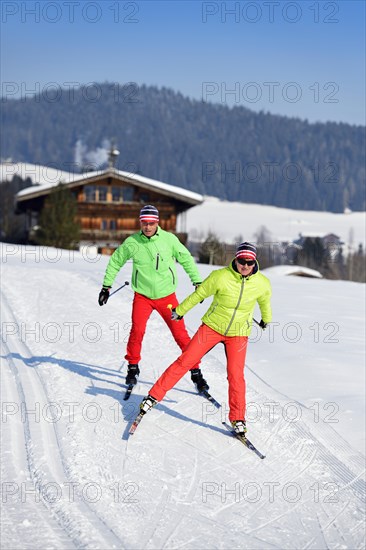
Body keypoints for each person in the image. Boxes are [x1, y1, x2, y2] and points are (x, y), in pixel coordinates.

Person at [138, 241, 272, 435]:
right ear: (236, 259)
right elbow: (200, 293)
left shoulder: (262, 283)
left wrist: (266, 319)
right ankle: (153, 397)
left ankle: (238, 418)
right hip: (212, 327)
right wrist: (180, 310)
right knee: (185, 361)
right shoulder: (220, 277)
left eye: (249, 262)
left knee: (236, 376)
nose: (245, 266)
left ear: (254, 262)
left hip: (239, 333)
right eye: (242, 261)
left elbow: (264, 302)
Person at [98, 204, 209, 391]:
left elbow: (186, 259)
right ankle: (133, 367)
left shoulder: (169, 240)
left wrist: (197, 282)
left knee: (180, 334)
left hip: (167, 297)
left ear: (157, 222)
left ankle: (195, 371)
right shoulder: (132, 242)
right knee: (137, 331)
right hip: (142, 296)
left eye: (151, 223)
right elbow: (115, 262)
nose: (147, 227)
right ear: (140, 222)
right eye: (144, 223)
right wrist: (106, 287)